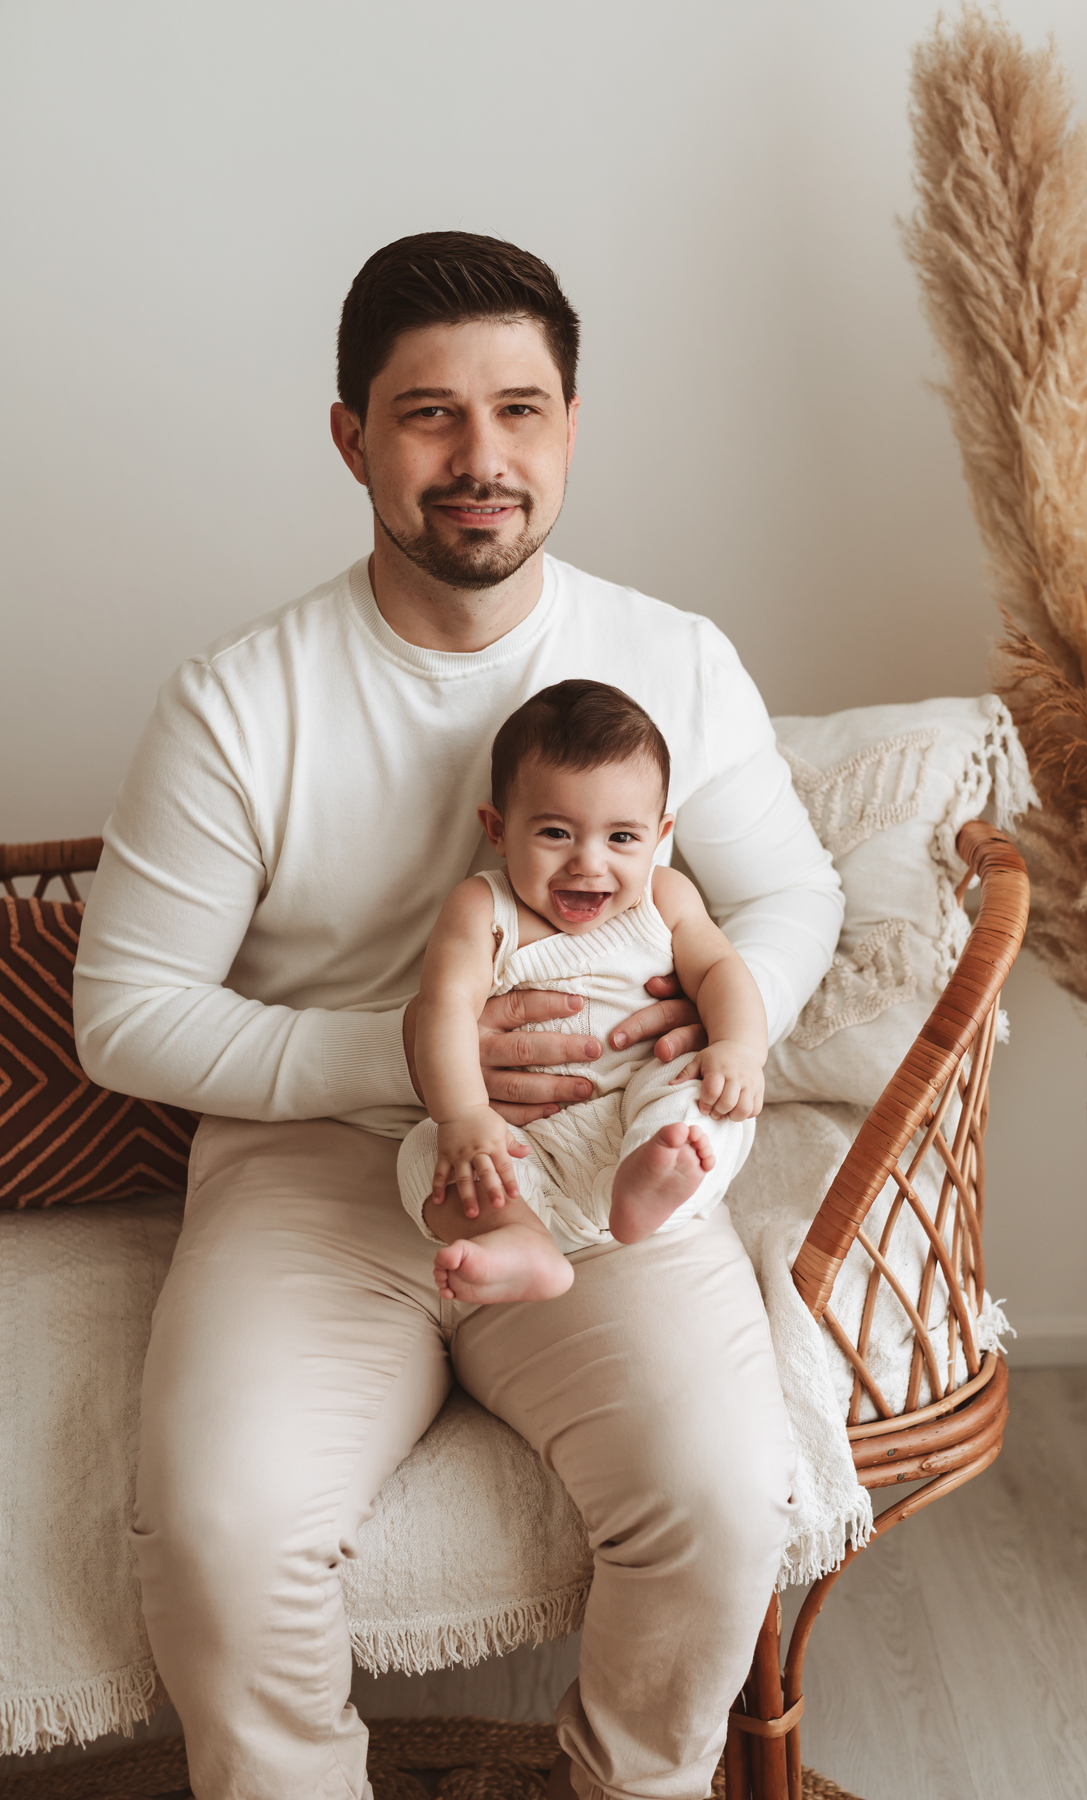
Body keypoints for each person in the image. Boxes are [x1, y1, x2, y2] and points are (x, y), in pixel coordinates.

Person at [74, 230, 844, 1800]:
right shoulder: (240, 700)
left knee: (719, 1493)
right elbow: (125, 1017)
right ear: (351, 437)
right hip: (316, 1174)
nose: (481, 458)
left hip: (604, 1167)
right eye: (429, 414)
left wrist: (718, 1031)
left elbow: (792, 897)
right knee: (219, 1527)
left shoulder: (675, 660)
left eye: (520, 411)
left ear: (571, 428)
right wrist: (421, 1063)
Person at [401, 678, 767, 1303]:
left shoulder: (665, 897)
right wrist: (462, 1115)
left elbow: (719, 971)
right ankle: (520, 1237)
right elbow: (446, 1009)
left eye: (621, 837)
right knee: (425, 1151)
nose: (588, 863)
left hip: (644, 1107)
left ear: (660, 835)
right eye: (555, 833)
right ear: (498, 829)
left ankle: (646, 1187)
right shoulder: (482, 909)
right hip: (524, 1145)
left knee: (705, 1097)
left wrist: (738, 1046)